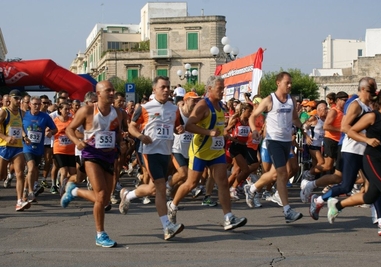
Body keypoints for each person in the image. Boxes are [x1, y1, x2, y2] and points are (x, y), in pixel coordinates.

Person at [166, 75, 247, 231]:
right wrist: (208, 132)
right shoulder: (203, 105)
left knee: (222, 182)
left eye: (223, 88)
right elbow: (189, 125)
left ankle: (228, 217)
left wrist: (223, 134)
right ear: (210, 89)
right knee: (191, 183)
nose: (223, 91)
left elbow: (218, 127)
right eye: (220, 88)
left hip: (216, 151)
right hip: (200, 151)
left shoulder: (221, 106)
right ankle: (173, 205)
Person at [120, 76, 185, 241]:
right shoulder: (144, 108)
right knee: (161, 187)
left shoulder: (174, 109)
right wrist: (141, 137)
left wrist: (179, 128)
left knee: (154, 189)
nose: (166, 90)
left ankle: (128, 195)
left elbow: (178, 128)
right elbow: (131, 127)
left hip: (166, 153)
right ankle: (166, 226)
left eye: (168, 87)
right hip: (150, 152)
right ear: (154, 89)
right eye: (163, 87)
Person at [327, 86, 381, 236]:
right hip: (373, 159)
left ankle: (338, 204)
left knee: (370, 196)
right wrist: (366, 139)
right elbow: (350, 131)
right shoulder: (373, 116)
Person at [63, 80, 123, 248]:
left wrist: (121, 142)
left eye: (113, 90)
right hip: (91, 154)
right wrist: (77, 140)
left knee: (104, 201)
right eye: (108, 91)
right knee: (102, 194)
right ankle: (100, 234)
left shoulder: (118, 113)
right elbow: (69, 129)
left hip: (109, 156)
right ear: (98, 94)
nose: (112, 93)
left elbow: (117, 133)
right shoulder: (87, 111)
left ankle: (74, 191)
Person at [249, 71, 306, 223]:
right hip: (273, 141)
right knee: (282, 173)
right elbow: (252, 116)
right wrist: (255, 130)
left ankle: (252, 188)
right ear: (278, 83)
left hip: (286, 142)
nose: (290, 85)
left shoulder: (291, 100)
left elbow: (294, 118)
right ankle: (287, 210)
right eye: (287, 82)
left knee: (275, 174)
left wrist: (303, 128)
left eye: (291, 83)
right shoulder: (269, 100)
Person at [23, 96, 58, 203]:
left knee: (33, 171)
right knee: (32, 167)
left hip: (38, 148)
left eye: (39, 104)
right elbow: (19, 127)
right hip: (27, 147)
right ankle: (30, 192)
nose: (37, 106)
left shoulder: (45, 117)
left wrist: (50, 132)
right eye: (35, 104)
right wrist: (24, 136)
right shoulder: (24, 115)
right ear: (30, 105)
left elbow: (55, 129)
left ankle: (24, 190)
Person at [0, 89, 30, 211]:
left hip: (18, 147)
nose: (18, 101)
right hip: (4, 147)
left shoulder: (22, 113)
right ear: (10, 99)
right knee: (1, 175)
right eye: (16, 98)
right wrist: (6, 137)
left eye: (20, 99)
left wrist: (24, 136)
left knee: (20, 173)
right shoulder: (4, 112)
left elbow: (21, 126)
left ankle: (19, 201)